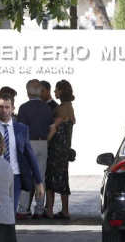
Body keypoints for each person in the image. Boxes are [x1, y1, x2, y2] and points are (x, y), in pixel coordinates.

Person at [16, 80, 56, 220]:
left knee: (27, 176)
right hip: (43, 143)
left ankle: (23, 210)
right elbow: (53, 129)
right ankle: (39, 210)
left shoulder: (24, 108)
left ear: (28, 92)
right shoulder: (47, 108)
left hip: (29, 144)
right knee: (40, 178)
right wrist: (46, 140)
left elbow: (20, 130)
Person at [45, 80, 76, 219]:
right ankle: (64, 210)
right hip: (64, 149)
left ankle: (50, 210)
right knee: (63, 178)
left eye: (56, 89)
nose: (55, 92)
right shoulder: (70, 106)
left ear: (61, 91)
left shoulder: (62, 108)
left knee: (50, 178)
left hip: (56, 148)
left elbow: (54, 127)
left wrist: (46, 141)